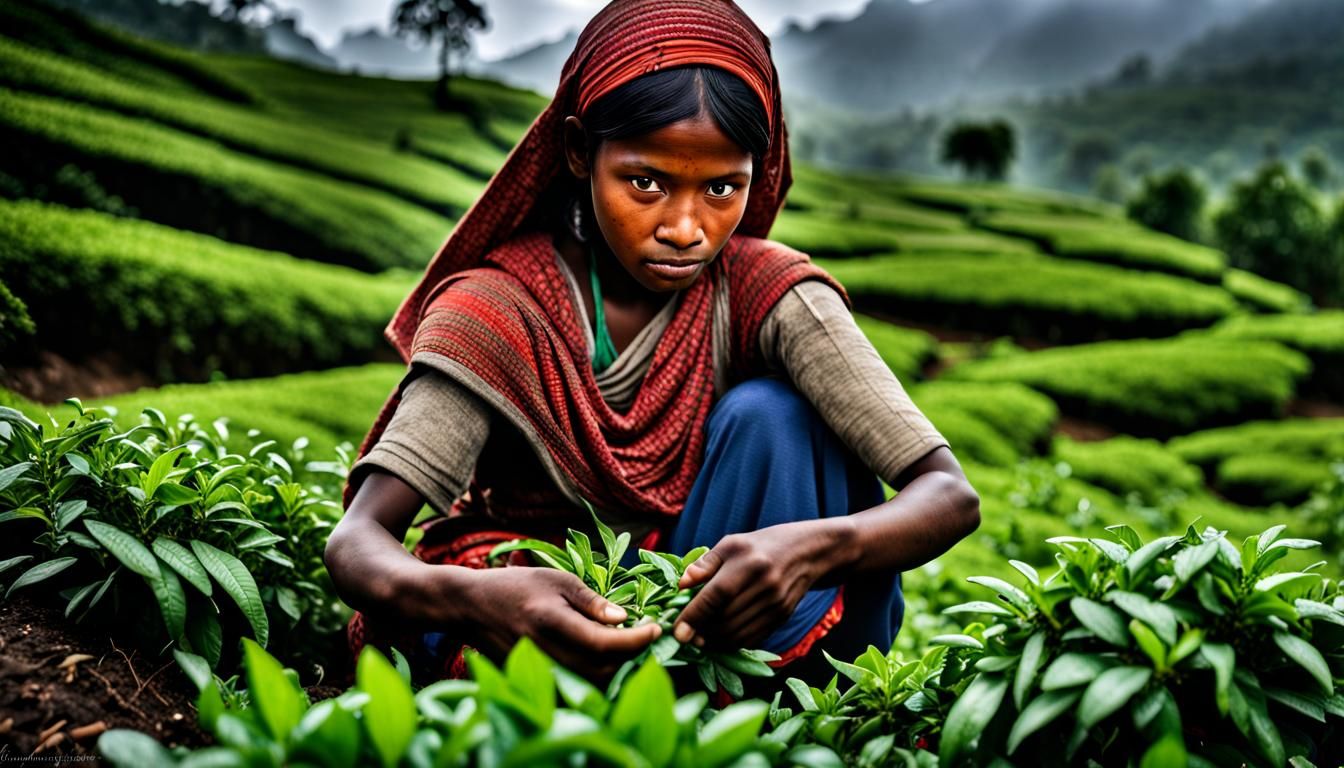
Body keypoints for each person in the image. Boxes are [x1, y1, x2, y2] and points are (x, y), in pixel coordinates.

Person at [324, 0, 980, 689]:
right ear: (580, 152)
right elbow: (360, 542)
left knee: (775, 418)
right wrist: (474, 598)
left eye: (724, 187)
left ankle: (747, 710)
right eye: (646, 182)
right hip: (551, 600)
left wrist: (813, 550)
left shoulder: (765, 292)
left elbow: (947, 494)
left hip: (714, 612)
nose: (686, 228)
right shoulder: (498, 310)